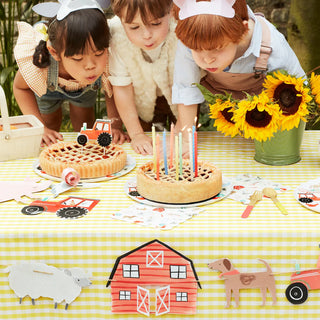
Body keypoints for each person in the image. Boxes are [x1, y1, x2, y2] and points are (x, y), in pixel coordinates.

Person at [172, 0, 305, 152]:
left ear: (243, 30)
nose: (207, 59)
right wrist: (187, 140)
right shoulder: (193, 37)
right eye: (196, 49)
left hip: (275, 131)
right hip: (230, 130)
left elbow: (301, 95)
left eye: (217, 48)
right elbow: (186, 87)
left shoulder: (273, 47)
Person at [13, 0, 114, 146]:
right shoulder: (41, 60)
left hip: (84, 89)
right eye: (78, 58)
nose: (91, 66)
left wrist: (115, 124)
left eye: (98, 53)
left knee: (85, 130)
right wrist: (40, 128)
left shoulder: (107, 57)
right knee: (49, 131)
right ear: (54, 52)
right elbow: (20, 88)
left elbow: (113, 89)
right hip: (47, 89)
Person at [108, 0, 178, 155]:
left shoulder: (181, 27)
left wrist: (183, 130)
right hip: (140, 98)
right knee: (147, 145)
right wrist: (137, 135)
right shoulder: (116, 36)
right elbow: (122, 89)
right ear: (120, 19)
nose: (147, 35)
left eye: (156, 23)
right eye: (134, 27)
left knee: (181, 141)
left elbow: (189, 84)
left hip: (181, 96)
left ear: (171, 11)